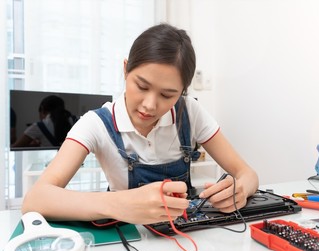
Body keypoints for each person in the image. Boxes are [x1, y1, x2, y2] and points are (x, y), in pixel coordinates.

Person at [22, 23, 259, 225]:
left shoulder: (189, 112)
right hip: (128, 238)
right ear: (125, 70)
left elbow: (247, 174)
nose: (149, 105)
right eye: (142, 86)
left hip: (184, 234)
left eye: (167, 95)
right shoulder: (96, 124)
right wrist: (119, 203)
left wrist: (239, 188)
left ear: (182, 93)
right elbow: (36, 200)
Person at [12, 95, 77, 148]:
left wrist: (31, 145)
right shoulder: (76, 120)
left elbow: (15, 147)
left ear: (42, 109)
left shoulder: (38, 126)